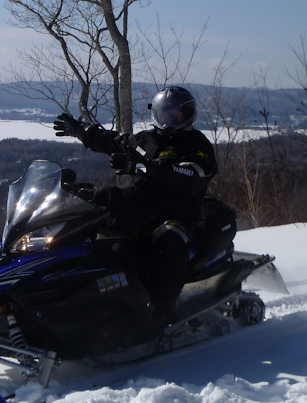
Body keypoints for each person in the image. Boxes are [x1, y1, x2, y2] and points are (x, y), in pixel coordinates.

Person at [53, 86, 217, 326]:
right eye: (166, 114)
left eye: (177, 115)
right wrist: (80, 130)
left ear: (189, 115)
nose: (171, 121)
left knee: (167, 244)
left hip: (178, 216)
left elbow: (188, 176)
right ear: (157, 115)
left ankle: (161, 313)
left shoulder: (197, 146)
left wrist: (141, 166)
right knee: (102, 235)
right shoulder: (146, 141)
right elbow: (113, 141)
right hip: (143, 209)